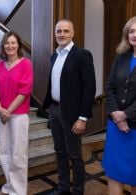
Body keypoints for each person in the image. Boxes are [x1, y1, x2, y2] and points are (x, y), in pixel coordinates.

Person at [42, 19, 96, 195]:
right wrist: (49, 106)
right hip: (55, 110)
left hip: (73, 114)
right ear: (55, 33)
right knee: (59, 151)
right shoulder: (54, 55)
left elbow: (89, 88)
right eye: (59, 31)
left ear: (73, 33)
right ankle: (63, 187)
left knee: (75, 154)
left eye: (66, 31)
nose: (62, 34)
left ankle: (78, 190)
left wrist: (83, 117)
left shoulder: (82, 54)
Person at [0, 31, 33, 195]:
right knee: (4, 151)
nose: (10, 46)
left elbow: (25, 90)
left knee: (18, 153)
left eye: (13, 43)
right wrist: (0, 109)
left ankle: (19, 190)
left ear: (19, 46)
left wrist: (8, 110)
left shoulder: (26, 64)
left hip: (18, 115)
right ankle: (10, 185)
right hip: (1, 114)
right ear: (3, 46)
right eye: (7, 43)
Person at [102, 16, 136, 195]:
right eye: (131, 31)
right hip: (116, 127)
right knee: (113, 172)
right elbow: (110, 86)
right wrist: (116, 114)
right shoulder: (122, 57)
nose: (134, 35)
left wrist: (126, 115)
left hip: (135, 128)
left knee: (134, 175)